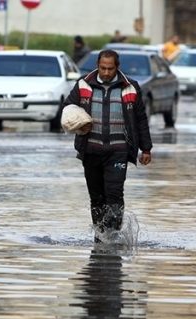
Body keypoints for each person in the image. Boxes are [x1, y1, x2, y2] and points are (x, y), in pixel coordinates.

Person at [63, 49, 152, 243]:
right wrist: (75, 120)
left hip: (118, 151)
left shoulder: (130, 87)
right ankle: (100, 234)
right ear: (97, 65)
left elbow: (140, 119)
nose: (105, 72)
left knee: (114, 194)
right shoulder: (83, 84)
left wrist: (146, 148)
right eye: (102, 68)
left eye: (110, 69)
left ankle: (112, 235)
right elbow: (68, 107)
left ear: (117, 67)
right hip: (91, 151)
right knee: (97, 198)